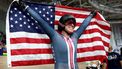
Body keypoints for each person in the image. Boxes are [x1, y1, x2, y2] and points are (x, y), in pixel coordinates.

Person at [15, 0, 97, 69]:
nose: (72, 25)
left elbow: (83, 26)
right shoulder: (55, 36)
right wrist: (25, 7)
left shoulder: (75, 37)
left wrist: (90, 15)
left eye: (73, 24)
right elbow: (40, 20)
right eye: (69, 23)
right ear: (62, 25)